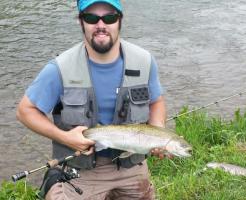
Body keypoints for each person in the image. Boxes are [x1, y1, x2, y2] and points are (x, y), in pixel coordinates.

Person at [16, 0, 167, 199]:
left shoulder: (144, 61)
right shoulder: (60, 68)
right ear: (81, 22)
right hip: (82, 168)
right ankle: (54, 184)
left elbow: (156, 101)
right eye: (91, 18)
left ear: (120, 21)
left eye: (110, 17)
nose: (101, 25)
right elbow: (25, 111)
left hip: (131, 165)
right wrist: (65, 137)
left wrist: (157, 133)